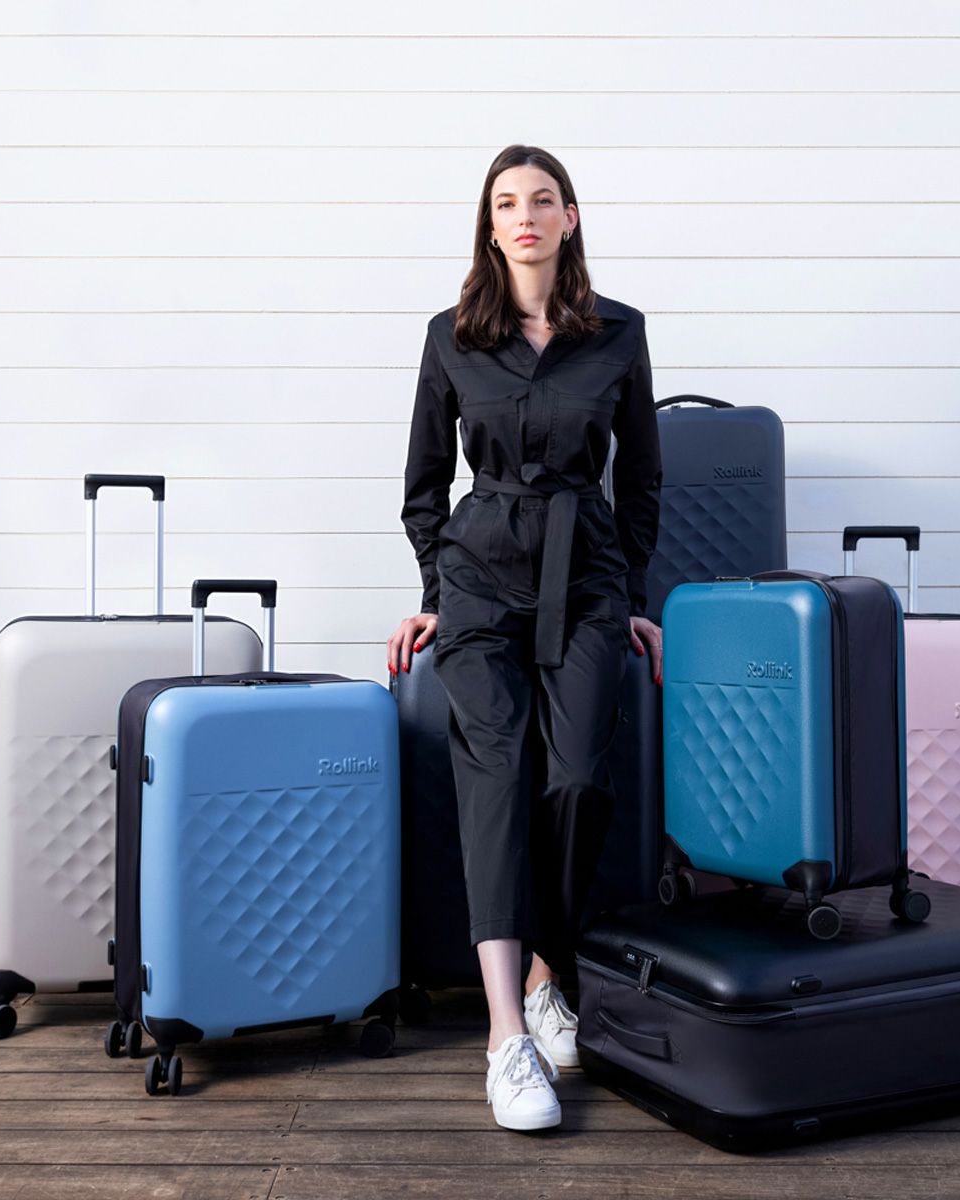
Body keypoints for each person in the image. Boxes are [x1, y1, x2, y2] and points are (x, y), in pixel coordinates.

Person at [389, 144, 662, 1132]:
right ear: (491, 226)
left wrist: (632, 595)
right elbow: (424, 485)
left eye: (543, 200)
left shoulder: (620, 333)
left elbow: (643, 481)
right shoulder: (452, 336)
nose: (527, 216)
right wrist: (436, 589)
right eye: (508, 203)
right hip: (478, 579)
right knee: (498, 770)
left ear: (570, 218)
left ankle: (547, 972)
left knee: (578, 777)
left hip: (585, 579)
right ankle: (507, 1034)